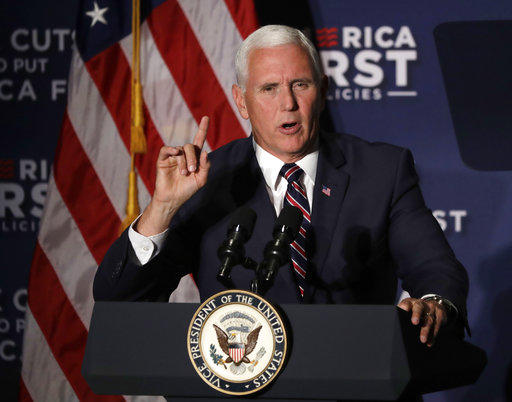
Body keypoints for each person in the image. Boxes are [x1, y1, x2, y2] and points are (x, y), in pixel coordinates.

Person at [94, 25, 469, 346]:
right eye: (269, 88)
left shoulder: (382, 170)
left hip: (356, 383)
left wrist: (432, 304)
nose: (287, 103)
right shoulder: (208, 178)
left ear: (321, 90)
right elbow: (119, 299)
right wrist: (161, 209)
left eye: (300, 85)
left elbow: (436, 269)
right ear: (241, 101)